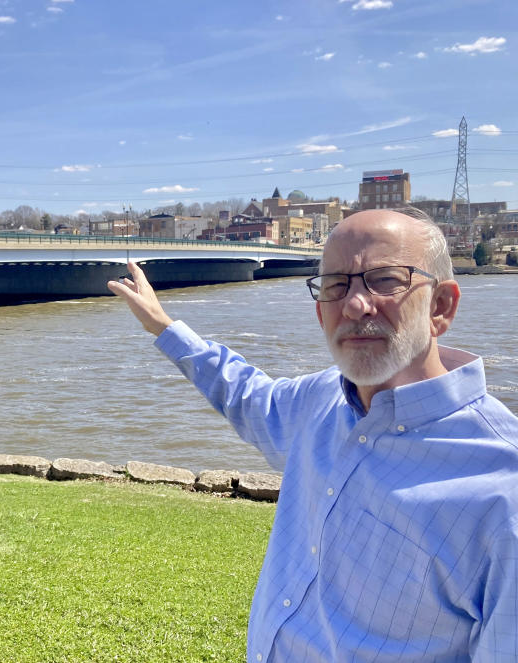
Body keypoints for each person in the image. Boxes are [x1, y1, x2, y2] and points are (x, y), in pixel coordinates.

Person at [107, 208, 518, 662]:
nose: (355, 304)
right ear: (320, 312)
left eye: (384, 279)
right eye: (336, 284)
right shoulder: (317, 402)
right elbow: (246, 394)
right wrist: (164, 327)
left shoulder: (503, 485)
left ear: (440, 307)